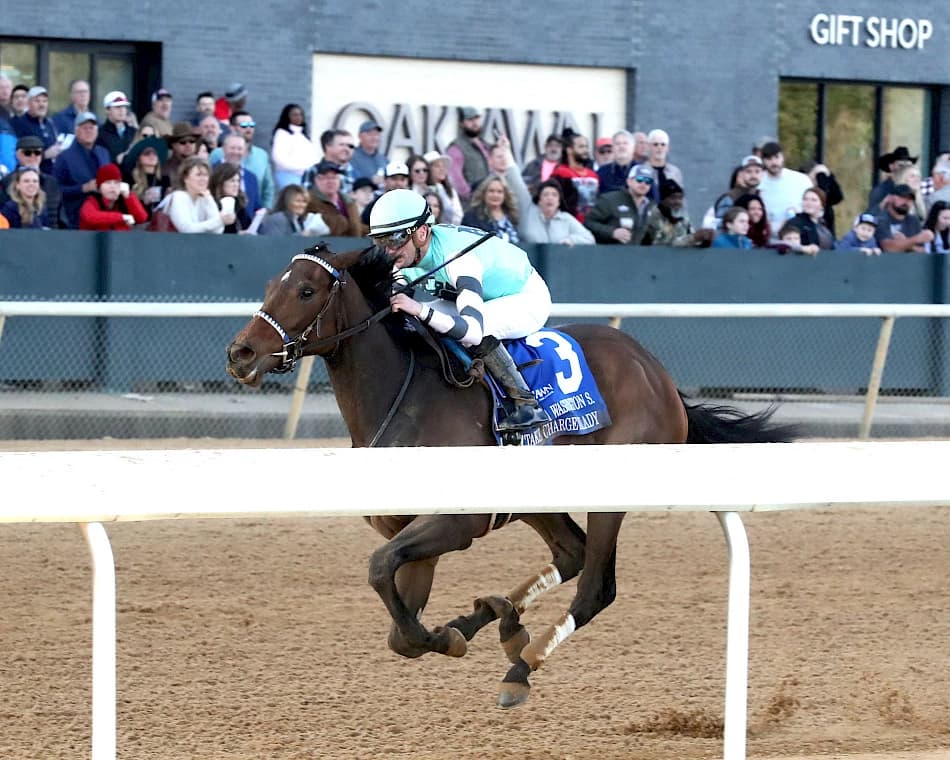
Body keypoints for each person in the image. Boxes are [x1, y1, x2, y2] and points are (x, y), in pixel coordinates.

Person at [370, 188, 551, 435]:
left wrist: (421, 310)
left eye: (394, 239)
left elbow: (473, 332)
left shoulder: (458, 259)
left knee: (472, 325)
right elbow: (395, 298)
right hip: (472, 296)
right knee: (416, 320)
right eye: (381, 241)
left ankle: (526, 405)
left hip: (523, 296)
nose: (388, 251)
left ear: (421, 233)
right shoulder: (406, 255)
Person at [53, 111, 111, 228]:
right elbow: (55, 190)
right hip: (76, 219)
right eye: (85, 128)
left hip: (103, 217)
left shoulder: (104, 153)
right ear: (76, 130)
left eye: (92, 127)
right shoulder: (64, 157)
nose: (89, 131)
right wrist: (83, 188)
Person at [210, 110, 275, 209]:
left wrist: (265, 210)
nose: (249, 128)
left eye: (251, 124)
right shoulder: (217, 154)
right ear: (232, 127)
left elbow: (268, 187)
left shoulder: (262, 155)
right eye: (244, 125)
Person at [584, 164, 656, 245]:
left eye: (648, 181)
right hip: (611, 253)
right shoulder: (610, 199)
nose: (643, 183)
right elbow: (588, 223)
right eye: (639, 179)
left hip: (640, 255)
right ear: (629, 181)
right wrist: (612, 232)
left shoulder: (652, 207)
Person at [0, 135, 62, 226]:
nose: (33, 156)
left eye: (37, 152)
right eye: (28, 153)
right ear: (18, 155)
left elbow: (60, 214)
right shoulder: (6, 181)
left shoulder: (52, 182)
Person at [516, 178, 594, 246]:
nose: (550, 198)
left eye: (554, 195)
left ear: (559, 202)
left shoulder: (566, 218)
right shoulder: (529, 212)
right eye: (545, 195)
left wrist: (572, 240)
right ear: (539, 200)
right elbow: (517, 185)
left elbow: (589, 238)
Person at [758, 141, 813, 232]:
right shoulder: (759, 182)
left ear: (782, 157)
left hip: (799, 237)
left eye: (776, 157)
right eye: (769, 159)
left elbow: (815, 207)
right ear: (763, 161)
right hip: (767, 239)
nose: (774, 162)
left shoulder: (801, 180)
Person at [161, 156, 227, 234]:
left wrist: (209, 199)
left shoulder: (205, 197)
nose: (203, 179)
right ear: (185, 178)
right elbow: (187, 229)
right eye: (198, 175)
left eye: (206, 175)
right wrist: (220, 220)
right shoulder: (179, 197)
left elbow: (218, 230)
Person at [641, 178, 714, 248]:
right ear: (662, 200)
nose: (677, 202)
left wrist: (705, 241)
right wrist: (693, 238)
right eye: (673, 198)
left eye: (680, 198)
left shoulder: (683, 219)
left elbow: (692, 244)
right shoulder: (653, 216)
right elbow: (666, 246)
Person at [78, 163, 148, 231]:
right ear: (99, 187)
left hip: (120, 241)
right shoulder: (92, 201)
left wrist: (128, 196)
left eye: (116, 182)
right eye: (108, 182)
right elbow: (90, 216)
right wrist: (121, 217)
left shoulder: (124, 199)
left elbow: (142, 218)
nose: (112, 186)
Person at [550, 128, 600, 222]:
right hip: (569, 224)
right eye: (581, 147)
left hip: (592, 225)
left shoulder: (593, 175)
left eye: (586, 147)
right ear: (569, 150)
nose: (585, 150)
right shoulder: (560, 174)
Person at [304, 160, 364, 236]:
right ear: (316, 180)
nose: (330, 181)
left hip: (355, 246)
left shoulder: (349, 201)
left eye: (334, 177)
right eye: (325, 178)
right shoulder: (308, 200)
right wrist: (343, 222)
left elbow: (357, 227)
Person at [12, 86, 62, 174]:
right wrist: (45, 155)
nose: (42, 105)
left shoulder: (50, 123)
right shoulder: (19, 123)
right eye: (37, 101)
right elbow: (17, 153)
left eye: (44, 101)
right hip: (29, 176)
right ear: (28, 103)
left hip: (51, 176)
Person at [446, 106, 490, 203]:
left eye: (476, 118)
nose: (474, 123)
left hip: (489, 203)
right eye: (470, 119)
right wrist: (474, 197)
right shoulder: (456, 148)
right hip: (471, 206)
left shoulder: (486, 145)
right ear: (461, 123)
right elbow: (456, 180)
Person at [461, 172, 520, 243]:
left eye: (499, 192)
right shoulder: (471, 217)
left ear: (505, 195)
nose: (495, 195)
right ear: (483, 193)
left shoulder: (512, 215)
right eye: (491, 191)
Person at [270, 103, 319, 190]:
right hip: (288, 176)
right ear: (287, 117)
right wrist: (303, 166)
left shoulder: (303, 135)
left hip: (306, 177)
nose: (299, 117)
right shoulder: (282, 134)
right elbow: (279, 158)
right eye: (295, 115)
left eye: (300, 114)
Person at [120, 135, 169, 220]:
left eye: (155, 153)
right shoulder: (130, 179)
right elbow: (124, 206)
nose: (152, 156)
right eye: (147, 153)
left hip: (158, 224)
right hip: (136, 223)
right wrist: (142, 200)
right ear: (139, 158)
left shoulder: (164, 180)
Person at [874, 184, 933, 253]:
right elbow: (888, 248)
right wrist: (916, 239)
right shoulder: (881, 218)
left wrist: (907, 243)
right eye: (902, 197)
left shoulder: (913, 220)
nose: (906, 201)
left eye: (910, 199)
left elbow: (922, 251)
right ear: (890, 198)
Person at [710, 155, 763, 227]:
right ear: (742, 174)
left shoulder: (762, 195)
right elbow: (721, 226)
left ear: (762, 174)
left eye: (757, 171)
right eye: (749, 171)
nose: (753, 175)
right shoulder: (730, 198)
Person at [218, 133, 260, 215]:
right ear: (223, 149)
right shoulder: (212, 171)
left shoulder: (251, 177)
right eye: (232, 148)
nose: (236, 152)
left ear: (245, 151)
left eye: (240, 149)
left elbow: (256, 206)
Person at [303, 129, 356, 194]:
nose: (347, 149)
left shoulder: (357, 170)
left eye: (350, 146)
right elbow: (307, 200)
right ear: (328, 146)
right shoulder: (313, 171)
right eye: (342, 145)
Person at [800, 159, 844, 236]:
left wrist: (829, 176)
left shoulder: (825, 189)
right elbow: (820, 195)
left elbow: (837, 197)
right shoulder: (802, 188)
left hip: (826, 229)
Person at [642, 128, 684, 205]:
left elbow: (680, 198)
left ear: (667, 148)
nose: (659, 148)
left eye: (663, 144)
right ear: (648, 147)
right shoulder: (641, 170)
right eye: (655, 144)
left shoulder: (675, 172)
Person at [868, 146, 917, 211]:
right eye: (901, 165)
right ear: (891, 166)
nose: (905, 169)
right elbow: (871, 215)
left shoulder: (914, 189)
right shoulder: (880, 191)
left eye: (908, 166)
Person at [210, 162, 253, 233]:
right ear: (221, 182)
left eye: (238, 181)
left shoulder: (239, 204)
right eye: (232, 181)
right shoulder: (211, 204)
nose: (236, 184)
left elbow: (247, 226)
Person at [96, 91, 137, 164]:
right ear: (107, 110)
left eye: (124, 106)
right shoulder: (99, 134)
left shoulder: (134, 132)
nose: (122, 110)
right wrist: (116, 160)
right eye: (117, 107)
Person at [423, 150, 462, 225]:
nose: (442, 169)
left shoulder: (449, 190)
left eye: (443, 166)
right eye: (437, 166)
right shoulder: (424, 189)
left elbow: (458, 214)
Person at [350, 119, 388, 187]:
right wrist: (371, 181)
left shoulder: (383, 159)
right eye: (370, 134)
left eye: (377, 134)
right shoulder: (351, 156)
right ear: (360, 136)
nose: (374, 138)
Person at [163, 121, 199, 187]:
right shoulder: (166, 168)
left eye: (192, 141)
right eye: (183, 142)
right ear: (173, 145)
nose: (188, 145)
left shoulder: (202, 165)